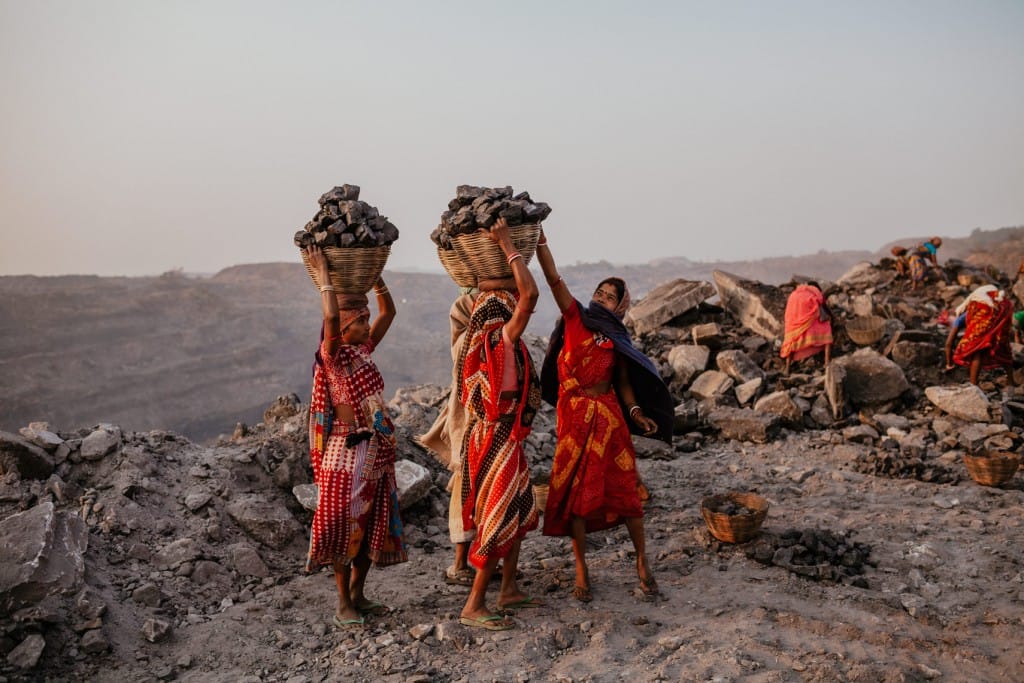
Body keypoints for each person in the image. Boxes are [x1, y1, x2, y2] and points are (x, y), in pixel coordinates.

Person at [534, 229, 674, 604]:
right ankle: (582, 568)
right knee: (577, 498)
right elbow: (553, 279)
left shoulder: (616, 338)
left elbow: (624, 382)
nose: (600, 298)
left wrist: (637, 413)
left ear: (621, 308)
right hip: (574, 422)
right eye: (599, 291)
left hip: (609, 422)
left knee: (626, 495)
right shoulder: (575, 317)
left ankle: (643, 562)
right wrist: (539, 244)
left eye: (610, 297)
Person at [304, 245, 406, 629]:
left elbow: (389, 312)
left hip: (376, 451)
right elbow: (329, 314)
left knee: (372, 525)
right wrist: (325, 276)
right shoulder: (332, 357)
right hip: (345, 452)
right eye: (359, 321)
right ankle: (343, 601)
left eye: (365, 320)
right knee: (341, 526)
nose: (367, 326)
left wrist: (374, 277)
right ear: (344, 329)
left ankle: (360, 593)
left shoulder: (362, 351)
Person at [457, 218, 542, 631]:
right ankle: (475, 603)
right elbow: (531, 293)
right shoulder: (500, 340)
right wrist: (508, 245)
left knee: (520, 510)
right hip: (497, 437)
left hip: (501, 435)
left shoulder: (483, 342)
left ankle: (508, 589)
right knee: (497, 517)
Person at [417, 289, 479, 587]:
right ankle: (460, 564)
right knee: (466, 491)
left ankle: (487, 559)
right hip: (472, 424)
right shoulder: (467, 341)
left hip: (494, 427)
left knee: (491, 494)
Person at [952, 285, 1016, 386]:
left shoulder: (970, 309)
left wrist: (949, 364)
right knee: (1003, 347)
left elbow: (949, 342)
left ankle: (973, 384)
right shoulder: (994, 298)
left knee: (978, 350)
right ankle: (1011, 382)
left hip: (989, 314)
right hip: (1003, 310)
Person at [780, 282, 833, 375]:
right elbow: (823, 305)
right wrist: (832, 317)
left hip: (793, 320)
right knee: (826, 330)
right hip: (808, 315)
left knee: (791, 340)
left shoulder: (794, 293)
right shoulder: (815, 292)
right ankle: (826, 362)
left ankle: (787, 367)